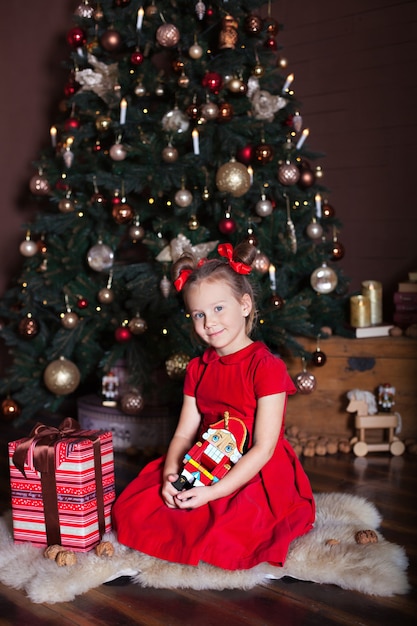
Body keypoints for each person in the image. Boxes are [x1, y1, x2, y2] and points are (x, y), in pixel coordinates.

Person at [112, 241, 315, 571]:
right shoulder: (198, 368)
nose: (209, 322)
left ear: (245, 305)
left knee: (228, 533)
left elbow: (264, 448)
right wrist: (171, 476)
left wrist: (214, 492)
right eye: (199, 314)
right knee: (135, 508)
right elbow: (182, 435)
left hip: (253, 469)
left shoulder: (266, 367)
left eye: (219, 309)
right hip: (203, 459)